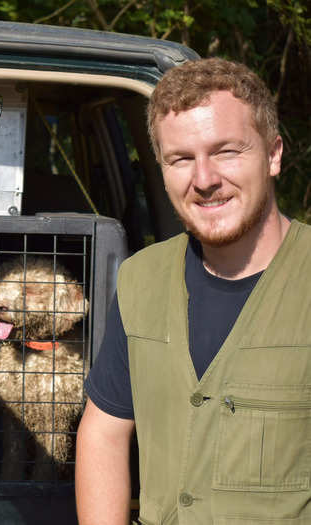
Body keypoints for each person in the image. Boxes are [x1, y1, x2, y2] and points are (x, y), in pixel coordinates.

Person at [75, 57, 311, 524]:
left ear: (273, 154)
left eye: (226, 151)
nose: (203, 180)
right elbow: (104, 430)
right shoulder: (142, 278)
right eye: (181, 159)